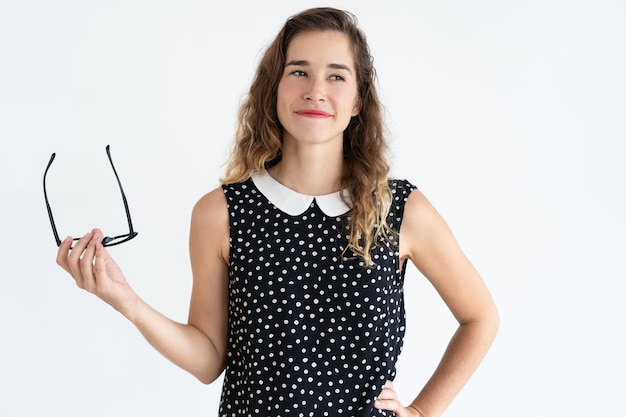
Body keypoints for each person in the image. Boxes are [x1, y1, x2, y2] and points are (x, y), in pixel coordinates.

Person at [56, 7, 498, 417]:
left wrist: (421, 412)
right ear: (274, 88)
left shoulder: (399, 209)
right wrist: (128, 302)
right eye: (299, 71)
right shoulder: (220, 214)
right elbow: (209, 358)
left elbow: (480, 318)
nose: (315, 91)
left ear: (360, 101)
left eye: (337, 77)